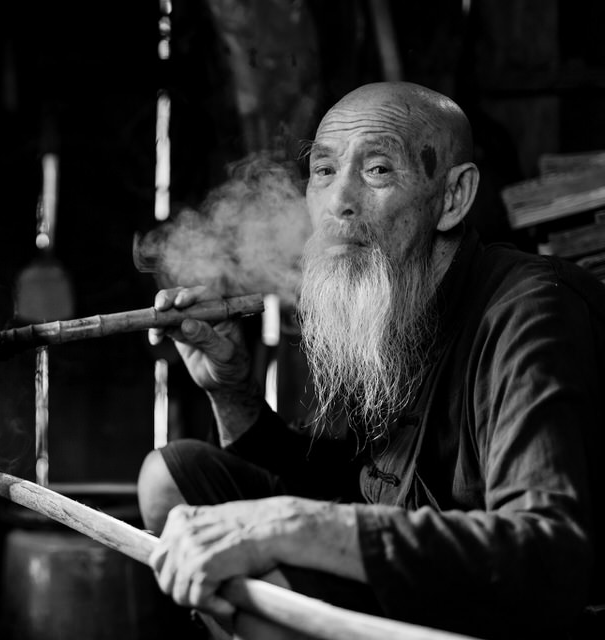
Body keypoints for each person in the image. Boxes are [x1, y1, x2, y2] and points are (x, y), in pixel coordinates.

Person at [138, 81, 605, 640]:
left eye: (378, 170)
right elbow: (354, 486)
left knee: (277, 591)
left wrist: (289, 525)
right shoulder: (389, 301)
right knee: (171, 479)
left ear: (453, 197)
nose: (340, 202)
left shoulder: (533, 313)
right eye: (325, 171)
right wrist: (231, 390)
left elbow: (546, 557)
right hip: (419, 582)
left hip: (516, 611)